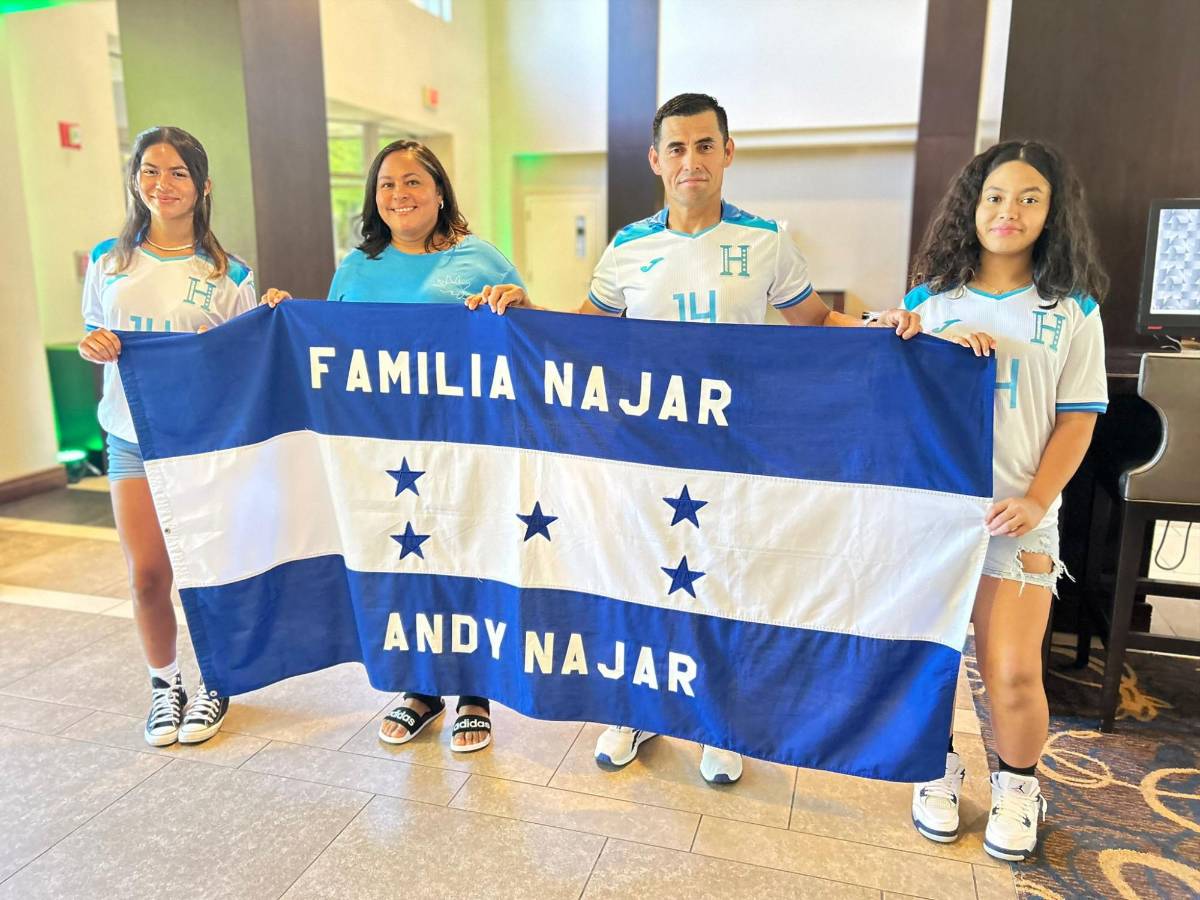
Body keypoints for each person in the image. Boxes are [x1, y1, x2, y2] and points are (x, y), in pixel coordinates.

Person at [470, 93, 921, 784]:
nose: (691, 161)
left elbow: (815, 323)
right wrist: (525, 313)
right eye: (676, 148)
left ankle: (718, 720)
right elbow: (588, 329)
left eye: (705, 145)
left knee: (721, 584)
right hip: (643, 450)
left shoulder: (767, 239)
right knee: (640, 576)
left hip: (732, 452)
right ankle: (638, 709)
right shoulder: (628, 246)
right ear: (656, 160)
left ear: (728, 152)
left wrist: (880, 330)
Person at [263, 139, 523, 752]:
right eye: (386, 185)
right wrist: (282, 317)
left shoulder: (479, 257)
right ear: (373, 197)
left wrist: (520, 302)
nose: (399, 195)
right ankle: (421, 689)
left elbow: (524, 338)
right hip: (381, 448)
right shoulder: (357, 267)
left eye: (412, 182)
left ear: (439, 192)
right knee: (404, 561)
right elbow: (327, 348)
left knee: (463, 553)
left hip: (461, 441)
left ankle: (473, 691)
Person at [904, 141, 1108, 861]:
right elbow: (893, 395)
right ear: (973, 205)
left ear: (1052, 215)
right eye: (995, 196)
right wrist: (913, 341)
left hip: (1017, 516)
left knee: (1012, 668)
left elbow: (1077, 419)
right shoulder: (931, 301)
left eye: (1029, 198)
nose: (1008, 211)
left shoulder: (1073, 312)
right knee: (927, 660)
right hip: (934, 515)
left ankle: (1019, 784)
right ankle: (937, 766)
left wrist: (1036, 498)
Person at [78, 126, 256, 747]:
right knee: (148, 574)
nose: (164, 183)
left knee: (207, 569)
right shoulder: (110, 260)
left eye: (179, 172)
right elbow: (95, 335)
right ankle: (164, 684)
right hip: (131, 437)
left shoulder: (230, 273)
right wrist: (92, 344)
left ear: (203, 187)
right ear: (135, 180)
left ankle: (215, 682)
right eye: (151, 170)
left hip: (201, 444)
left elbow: (245, 359)